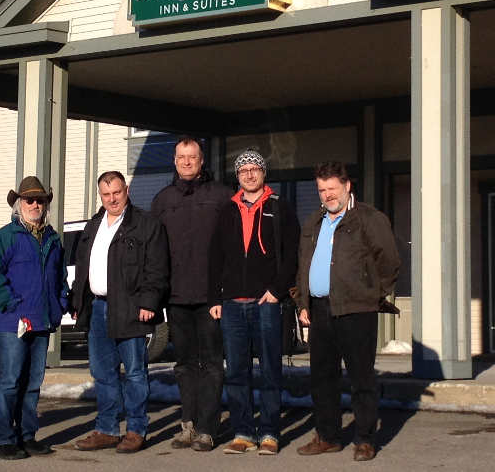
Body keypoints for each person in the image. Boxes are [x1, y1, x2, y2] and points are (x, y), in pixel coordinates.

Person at [295, 161, 400, 462]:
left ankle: (365, 440)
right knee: (322, 378)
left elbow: (389, 262)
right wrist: (303, 302)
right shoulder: (314, 221)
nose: (327, 195)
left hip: (357, 309)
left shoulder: (369, 218)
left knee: (361, 378)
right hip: (319, 308)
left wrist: (372, 294)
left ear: (347, 186)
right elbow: (305, 264)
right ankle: (328, 436)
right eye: (322, 190)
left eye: (332, 188)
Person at [208, 148, 300, 455]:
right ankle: (243, 432)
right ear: (237, 177)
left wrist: (277, 289)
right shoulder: (227, 211)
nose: (249, 174)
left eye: (254, 169)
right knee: (236, 371)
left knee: (271, 370)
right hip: (232, 303)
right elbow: (215, 257)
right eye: (243, 170)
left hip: (266, 302)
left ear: (263, 173)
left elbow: (291, 255)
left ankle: (271, 433)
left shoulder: (280, 207)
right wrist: (216, 297)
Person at [72, 171, 169, 454]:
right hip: (97, 306)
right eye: (106, 194)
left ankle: (136, 430)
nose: (112, 199)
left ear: (125, 190)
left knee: (136, 372)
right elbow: (82, 267)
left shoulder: (145, 224)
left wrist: (149, 302)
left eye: (116, 192)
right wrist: (78, 302)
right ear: (100, 195)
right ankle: (107, 429)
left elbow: (156, 268)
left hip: (130, 307)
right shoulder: (93, 225)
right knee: (103, 373)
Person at [150, 135, 232, 451]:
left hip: (212, 298)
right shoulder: (162, 200)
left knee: (212, 363)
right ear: (175, 160)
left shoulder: (222, 195)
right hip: (176, 297)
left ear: (201, 161)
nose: (186, 162)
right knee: (185, 364)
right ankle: (189, 426)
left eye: (192, 157)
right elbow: (154, 251)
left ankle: (209, 428)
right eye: (181, 157)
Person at [0, 176, 69, 460]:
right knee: (8, 381)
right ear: (19, 203)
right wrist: (10, 303)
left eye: (40, 200)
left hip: (42, 323)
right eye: (29, 200)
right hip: (13, 324)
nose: (35, 204)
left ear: (46, 204)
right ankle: (3, 439)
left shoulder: (53, 238)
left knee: (33, 383)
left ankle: (27, 435)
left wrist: (62, 302)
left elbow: (60, 277)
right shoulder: (5, 237)